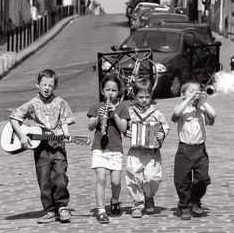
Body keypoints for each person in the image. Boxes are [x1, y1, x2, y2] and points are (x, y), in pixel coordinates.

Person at [10, 69, 75, 224]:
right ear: (37, 84)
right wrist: (22, 135)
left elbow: (65, 121)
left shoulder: (61, 102)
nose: (47, 88)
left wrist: (66, 133)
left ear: (55, 87)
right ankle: (50, 210)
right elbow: (14, 117)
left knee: (60, 175)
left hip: (57, 144)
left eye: (50, 85)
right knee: (44, 179)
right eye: (44, 84)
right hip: (40, 147)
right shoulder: (32, 103)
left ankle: (62, 207)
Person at [87, 74, 130, 224]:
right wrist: (99, 117)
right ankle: (100, 210)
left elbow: (124, 128)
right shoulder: (96, 107)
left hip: (115, 148)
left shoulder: (123, 108)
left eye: (114, 90)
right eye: (107, 90)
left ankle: (115, 200)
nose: (110, 93)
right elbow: (90, 126)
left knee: (116, 181)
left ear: (119, 92)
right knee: (101, 178)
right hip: (99, 147)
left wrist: (115, 113)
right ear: (102, 90)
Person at [171, 80, 216, 220]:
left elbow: (213, 115)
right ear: (183, 95)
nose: (195, 94)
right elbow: (176, 114)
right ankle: (184, 205)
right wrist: (189, 98)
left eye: (198, 91)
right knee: (182, 180)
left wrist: (203, 102)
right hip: (184, 150)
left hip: (200, 150)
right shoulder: (182, 108)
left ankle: (195, 200)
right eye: (191, 91)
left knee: (202, 179)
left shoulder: (202, 109)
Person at [125, 78, 169, 218]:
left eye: (147, 97)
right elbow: (124, 127)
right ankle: (137, 204)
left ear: (151, 95)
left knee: (152, 177)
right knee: (133, 176)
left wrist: (160, 135)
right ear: (134, 96)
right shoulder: (130, 112)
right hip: (135, 151)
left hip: (152, 152)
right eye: (140, 97)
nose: (144, 100)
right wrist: (127, 132)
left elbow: (165, 127)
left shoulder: (156, 113)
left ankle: (149, 195)